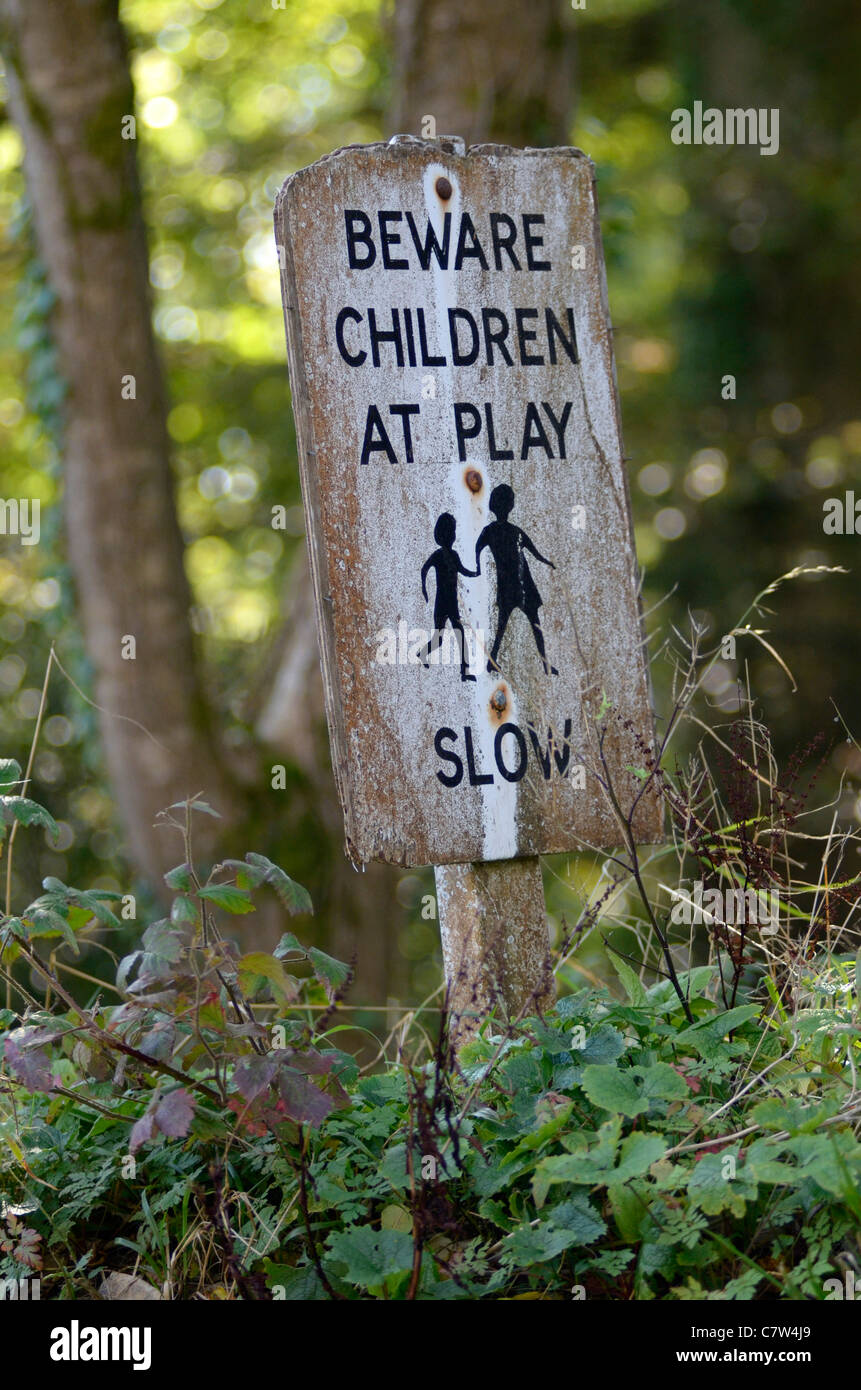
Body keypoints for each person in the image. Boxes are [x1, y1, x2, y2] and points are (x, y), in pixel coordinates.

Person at [475, 483, 557, 675]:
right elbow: (535, 553)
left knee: (512, 624)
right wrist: (547, 562)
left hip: (515, 582)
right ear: (509, 506)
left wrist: (548, 563)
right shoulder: (511, 531)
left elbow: (478, 549)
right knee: (525, 624)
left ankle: (494, 660)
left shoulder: (493, 531)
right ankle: (494, 660)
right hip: (519, 582)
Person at [419, 512, 478, 681]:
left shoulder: (452, 555)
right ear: (449, 535)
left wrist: (475, 573)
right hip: (445, 601)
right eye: (453, 532)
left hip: (447, 601)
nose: (454, 536)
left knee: (456, 636)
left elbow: (462, 570)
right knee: (444, 638)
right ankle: (423, 653)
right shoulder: (442, 555)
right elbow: (425, 569)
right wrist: (424, 589)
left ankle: (464, 672)